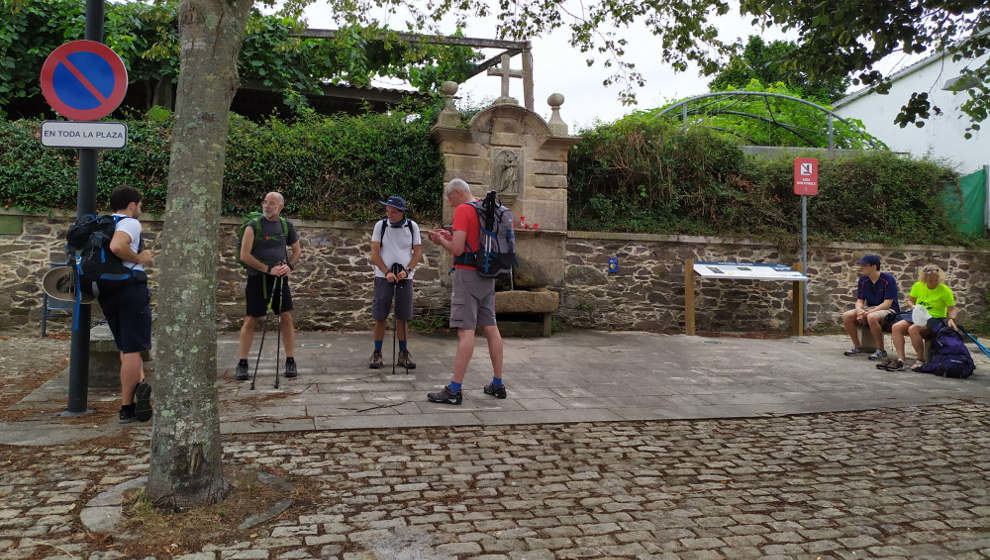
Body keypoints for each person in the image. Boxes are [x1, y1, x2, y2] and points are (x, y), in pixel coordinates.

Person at [424, 178, 505, 405]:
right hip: (487, 274)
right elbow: (470, 243)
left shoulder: (463, 210)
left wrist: (441, 241)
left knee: (465, 331)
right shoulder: (484, 208)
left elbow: (458, 249)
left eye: (450, 198)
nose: (449, 204)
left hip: (467, 275)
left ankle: (454, 390)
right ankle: (498, 384)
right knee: (491, 327)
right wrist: (450, 237)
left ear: (458, 192)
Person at [101, 185, 154, 424]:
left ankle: (140, 384)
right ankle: (127, 407)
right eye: (140, 204)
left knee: (125, 345)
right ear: (132, 204)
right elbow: (117, 247)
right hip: (130, 289)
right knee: (133, 348)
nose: (140, 208)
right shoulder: (130, 222)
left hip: (108, 290)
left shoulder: (105, 221)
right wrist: (139, 258)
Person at [234, 192, 302, 380]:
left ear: (280, 207)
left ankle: (290, 360)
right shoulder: (253, 226)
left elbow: (297, 250)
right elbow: (244, 255)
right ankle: (242, 362)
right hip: (257, 279)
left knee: (286, 317)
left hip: (280, 279)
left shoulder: (286, 226)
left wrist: (290, 266)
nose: (266, 206)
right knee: (251, 320)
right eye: (265, 202)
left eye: (271, 203)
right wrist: (267, 269)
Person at [369, 196, 422, 369]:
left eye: (393, 211)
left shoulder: (412, 227)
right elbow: (375, 254)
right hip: (383, 277)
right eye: (387, 210)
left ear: (401, 212)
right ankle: (377, 353)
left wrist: (407, 271)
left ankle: (403, 353)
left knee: (403, 317)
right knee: (380, 316)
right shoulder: (381, 226)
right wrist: (386, 272)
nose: (389, 214)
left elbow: (417, 253)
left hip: (404, 278)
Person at [882, 264, 959, 372]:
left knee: (913, 329)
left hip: (935, 318)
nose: (932, 279)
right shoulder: (918, 285)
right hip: (918, 315)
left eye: (934, 277)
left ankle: (920, 359)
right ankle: (901, 359)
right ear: (924, 276)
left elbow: (952, 309)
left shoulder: (945, 290)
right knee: (896, 327)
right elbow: (910, 300)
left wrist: (951, 319)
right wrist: (912, 306)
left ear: (939, 276)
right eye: (929, 276)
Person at [841, 254, 900, 361]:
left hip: (889, 309)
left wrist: (867, 313)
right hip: (872, 308)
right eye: (861, 265)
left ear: (874, 266)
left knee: (872, 317)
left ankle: (881, 350)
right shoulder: (863, 280)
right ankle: (858, 347)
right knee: (847, 316)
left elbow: (887, 304)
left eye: (864, 265)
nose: (861, 267)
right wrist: (859, 311)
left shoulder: (888, 279)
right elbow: (860, 301)